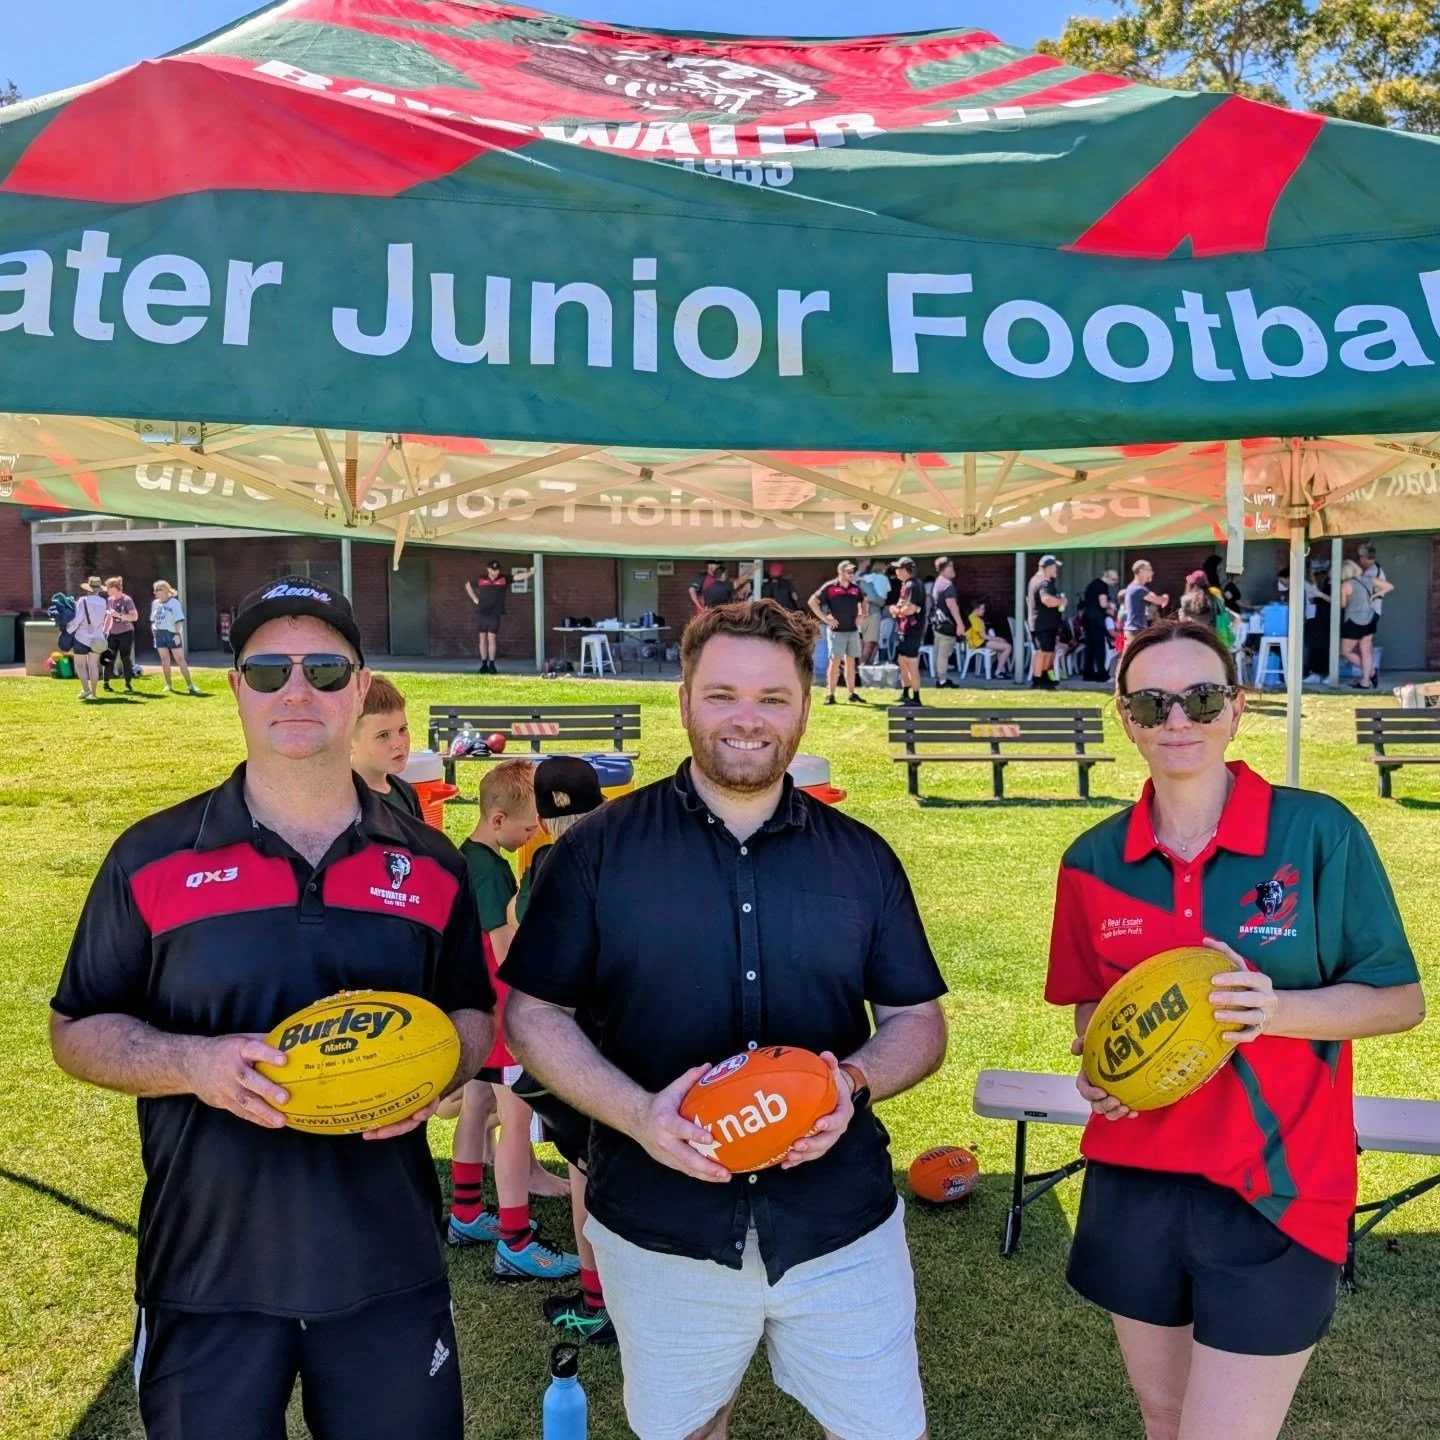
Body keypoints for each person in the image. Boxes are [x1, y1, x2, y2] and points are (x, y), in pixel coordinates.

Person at [48, 575, 495, 1440]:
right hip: (205, 1267)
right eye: (269, 672)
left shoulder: (430, 864)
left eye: (326, 671)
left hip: (385, 1261)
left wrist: (438, 1071)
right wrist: (194, 1064)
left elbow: (472, 1014)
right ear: (235, 689)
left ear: (360, 688)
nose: (298, 691)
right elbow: (76, 1029)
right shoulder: (151, 857)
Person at [501, 599, 948, 1440]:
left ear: (806, 705)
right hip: (662, 1225)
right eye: (723, 695)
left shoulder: (861, 858)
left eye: (773, 698)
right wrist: (639, 1114)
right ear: (684, 701)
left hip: (839, 1224)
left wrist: (849, 1083)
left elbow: (917, 1020)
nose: (748, 719)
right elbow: (533, 1015)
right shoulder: (595, 851)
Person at [1047, 617, 1423, 1440]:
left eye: (1201, 697)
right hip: (1135, 1180)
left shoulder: (1316, 833)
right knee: (1165, 1415)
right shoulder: (1091, 861)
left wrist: (1274, 1011)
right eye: (1152, 703)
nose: (1177, 719)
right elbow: (1088, 1008)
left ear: (1236, 708)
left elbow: (1398, 997)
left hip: (1279, 1186)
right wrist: (1100, 1065)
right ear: (1125, 719)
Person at [449, 758, 579, 1280]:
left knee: (477, 1105)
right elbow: (507, 955)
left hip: (481, 1008)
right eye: (528, 828)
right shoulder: (488, 870)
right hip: (503, 1019)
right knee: (517, 1123)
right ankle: (515, 1241)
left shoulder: (472, 858)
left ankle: (464, 1212)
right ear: (498, 820)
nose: (533, 836)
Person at [508, 756, 613, 1343]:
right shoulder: (628, 856)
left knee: (583, 1178)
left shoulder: (543, 866)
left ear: (543, 821)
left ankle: (597, 1303)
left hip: (572, 1049)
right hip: (629, 1040)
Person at [351, 673, 422, 820]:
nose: (399, 743)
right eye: (383, 735)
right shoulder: (344, 804)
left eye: (403, 729)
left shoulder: (406, 793)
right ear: (349, 741)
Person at [808, 559, 868, 706]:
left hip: (852, 631)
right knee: (834, 662)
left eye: (852, 572)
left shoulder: (855, 588)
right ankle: (831, 694)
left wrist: (862, 614)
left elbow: (864, 600)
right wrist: (825, 618)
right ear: (840, 572)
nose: (851, 574)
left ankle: (852, 693)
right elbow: (812, 601)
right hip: (837, 631)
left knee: (851, 662)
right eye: (849, 572)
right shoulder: (830, 587)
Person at [466, 559, 531, 675]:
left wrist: (530, 573)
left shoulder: (503, 579)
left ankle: (492, 664)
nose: (495, 572)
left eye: (497, 570)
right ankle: (483, 664)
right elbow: (468, 585)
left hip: (494, 614)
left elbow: (517, 577)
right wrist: (475, 599)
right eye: (493, 570)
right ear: (488, 569)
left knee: (492, 638)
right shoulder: (481, 579)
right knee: (482, 639)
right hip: (482, 612)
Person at [150, 580, 201, 695]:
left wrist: (177, 635)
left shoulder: (174, 603)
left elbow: (179, 621)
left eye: (158, 589)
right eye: (155, 590)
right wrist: (154, 630)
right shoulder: (155, 603)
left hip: (172, 634)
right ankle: (169, 685)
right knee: (164, 660)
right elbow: (153, 619)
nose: (156, 592)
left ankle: (190, 685)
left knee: (180, 659)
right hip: (159, 634)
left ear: (166, 590)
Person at [890, 557, 927, 706]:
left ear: (906, 570)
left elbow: (911, 609)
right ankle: (906, 692)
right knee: (902, 661)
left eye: (898, 569)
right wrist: (898, 610)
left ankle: (916, 697)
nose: (896, 571)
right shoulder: (907, 584)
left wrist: (896, 611)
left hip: (912, 630)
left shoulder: (913, 585)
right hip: (904, 630)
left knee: (911, 662)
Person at [1339, 558, 1379, 690]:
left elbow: (1343, 605)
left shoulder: (1346, 585)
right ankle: (1366, 680)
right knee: (1366, 650)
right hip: (1369, 618)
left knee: (1346, 651)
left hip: (1354, 621)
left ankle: (1371, 673)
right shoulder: (1367, 581)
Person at [1356, 542, 1394, 682]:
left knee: (1364, 646)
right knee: (1366, 644)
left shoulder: (1372, 572)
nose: (1360, 560)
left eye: (1360, 557)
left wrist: (1373, 596)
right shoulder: (1375, 569)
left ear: (1364, 557)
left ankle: (1367, 677)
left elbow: (1388, 588)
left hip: (1370, 613)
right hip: (1370, 613)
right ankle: (1369, 674)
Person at [1027, 554, 1067, 688]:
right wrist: (1062, 601)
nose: (1056, 570)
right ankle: (1036, 680)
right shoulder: (1044, 582)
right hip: (1042, 624)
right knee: (1042, 652)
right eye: (1054, 567)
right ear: (1047, 568)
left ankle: (1044, 677)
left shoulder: (1035, 580)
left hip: (1045, 624)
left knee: (1048, 651)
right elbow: (1047, 601)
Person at [66, 577, 109, 702]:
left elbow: (78, 620)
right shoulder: (103, 602)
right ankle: (94, 694)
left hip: (82, 637)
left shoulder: (82, 601)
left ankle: (86, 689)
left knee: (80, 665)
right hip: (97, 638)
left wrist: (68, 630)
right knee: (93, 666)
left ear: (88, 589)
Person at [99, 576, 140, 693]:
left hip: (126, 633)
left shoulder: (127, 600)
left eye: (108, 587)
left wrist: (119, 615)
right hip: (112, 633)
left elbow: (134, 617)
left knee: (125, 658)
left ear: (115, 588)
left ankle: (128, 684)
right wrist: (104, 631)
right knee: (108, 657)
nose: (106, 590)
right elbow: (109, 616)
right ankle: (106, 682)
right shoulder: (110, 600)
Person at [1120, 559, 1169, 652]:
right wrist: (1165, 597)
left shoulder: (1133, 587)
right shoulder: (1138, 589)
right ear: (1141, 571)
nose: (1152, 573)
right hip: (1135, 630)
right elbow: (1158, 601)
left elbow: (1151, 595)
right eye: (1149, 570)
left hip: (1133, 629)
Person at [929, 558, 963, 687]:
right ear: (944, 569)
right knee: (944, 653)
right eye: (951, 567)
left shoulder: (937, 583)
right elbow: (951, 604)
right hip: (947, 624)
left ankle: (940, 678)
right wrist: (959, 623)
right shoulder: (947, 585)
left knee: (938, 652)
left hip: (937, 623)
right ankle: (942, 681)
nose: (953, 570)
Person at [1079, 569, 1118, 681]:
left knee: (1090, 646)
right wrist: (1111, 606)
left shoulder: (1093, 584)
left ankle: (1088, 674)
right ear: (1107, 577)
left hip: (1087, 618)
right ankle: (1102, 675)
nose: (1114, 582)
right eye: (1113, 580)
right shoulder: (1102, 586)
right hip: (1096, 619)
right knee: (1099, 647)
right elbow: (1103, 603)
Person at [856, 558, 891, 666]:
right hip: (874, 612)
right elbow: (883, 597)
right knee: (871, 642)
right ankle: (863, 667)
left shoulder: (864, 578)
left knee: (863, 640)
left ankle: (861, 667)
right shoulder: (883, 579)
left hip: (861, 612)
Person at [964, 600, 1012, 677]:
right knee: (1008, 647)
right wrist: (998, 639)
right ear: (976, 609)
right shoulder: (976, 620)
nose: (984, 611)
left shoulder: (970, 617)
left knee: (1001, 647)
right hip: (979, 643)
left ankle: (1001, 671)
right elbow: (984, 636)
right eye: (983, 609)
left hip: (975, 643)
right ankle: (998, 672)